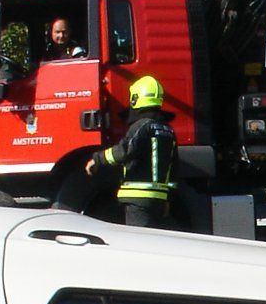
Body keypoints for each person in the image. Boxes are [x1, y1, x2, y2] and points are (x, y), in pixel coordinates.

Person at [53, 74, 177, 227]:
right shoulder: (168, 130)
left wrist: (98, 159)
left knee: (138, 243)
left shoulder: (141, 126)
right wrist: (168, 199)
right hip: (158, 200)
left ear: (135, 98)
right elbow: (174, 168)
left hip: (137, 199)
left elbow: (125, 151)